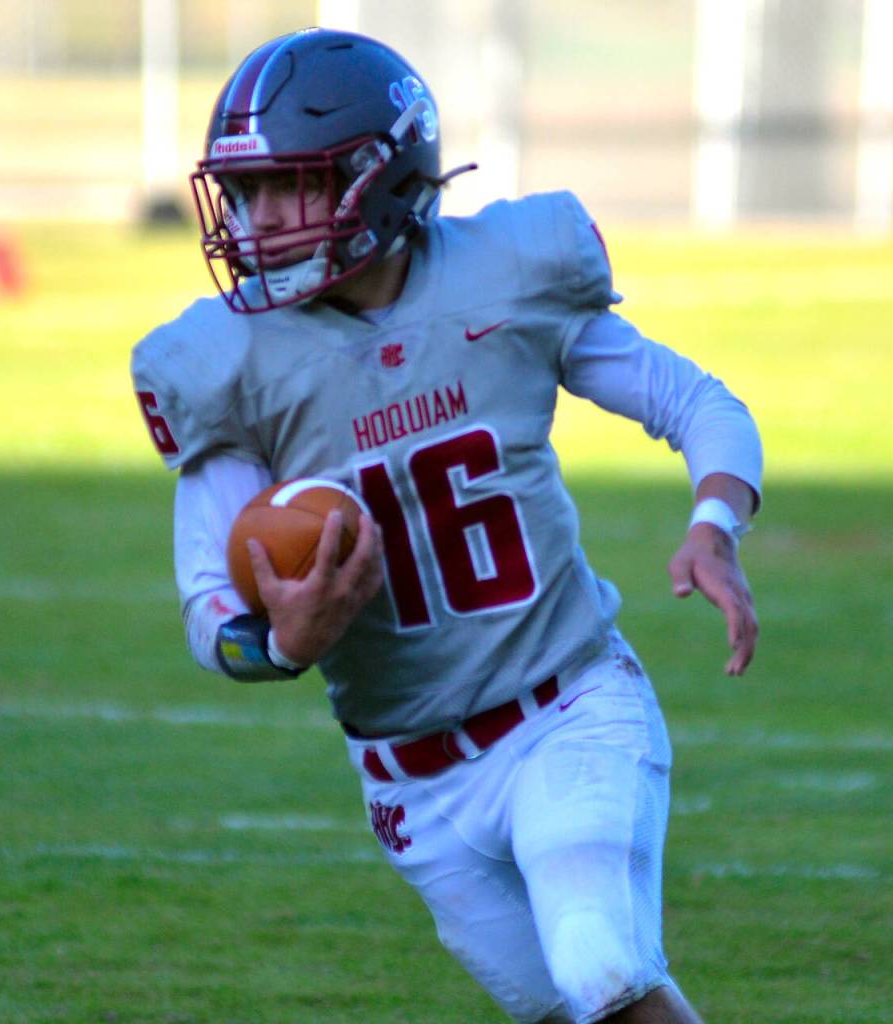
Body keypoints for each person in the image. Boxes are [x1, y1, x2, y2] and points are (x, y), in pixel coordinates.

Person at [131, 27, 761, 1024]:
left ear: (375, 178)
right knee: (573, 1009)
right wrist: (279, 641)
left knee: (600, 967)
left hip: (567, 707)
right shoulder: (224, 362)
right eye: (242, 193)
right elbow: (210, 610)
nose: (253, 224)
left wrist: (714, 520)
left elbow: (698, 402)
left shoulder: (504, 273)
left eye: (285, 187)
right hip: (411, 783)